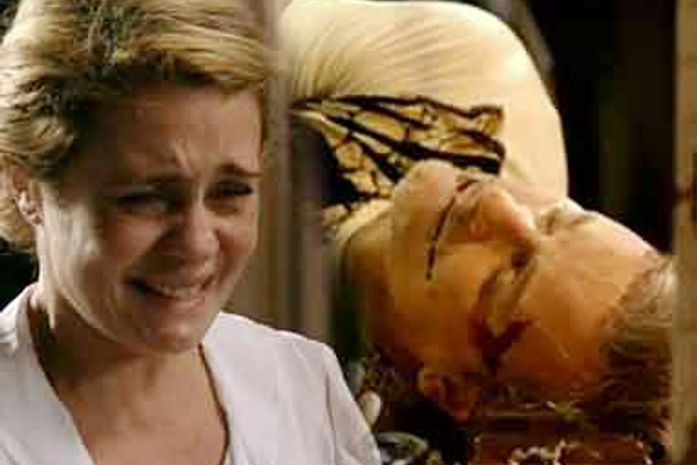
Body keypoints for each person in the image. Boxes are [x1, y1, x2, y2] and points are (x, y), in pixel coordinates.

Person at [280, 0, 674, 463]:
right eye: (558, 217)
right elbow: (213, 48)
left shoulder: (314, 432)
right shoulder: (466, 89)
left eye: (505, 276)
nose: (497, 204)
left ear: (451, 390)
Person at [0, 1, 379, 464]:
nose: (197, 244)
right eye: (145, 198)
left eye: (230, 192)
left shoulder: (304, 388)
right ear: (25, 185)